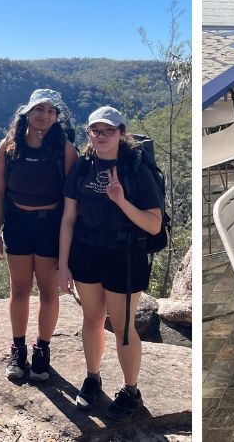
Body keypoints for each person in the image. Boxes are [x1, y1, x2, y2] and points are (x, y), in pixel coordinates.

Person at [59, 106, 162, 420]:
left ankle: (131, 391)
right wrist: (63, 265)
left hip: (125, 255)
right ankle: (92, 378)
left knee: (123, 328)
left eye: (107, 130)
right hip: (87, 251)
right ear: (89, 133)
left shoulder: (136, 170)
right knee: (91, 319)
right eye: (95, 130)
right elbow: (68, 219)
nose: (100, 136)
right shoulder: (82, 167)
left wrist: (121, 200)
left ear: (121, 132)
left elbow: (154, 224)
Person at [0, 89, 77, 382]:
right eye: (40, 110)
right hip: (18, 223)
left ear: (57, 117)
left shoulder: (64, 148)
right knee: (19, 289)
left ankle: (42, 349)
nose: (45, 116)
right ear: (27, 112)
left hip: (50, 226)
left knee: (49, 291)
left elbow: (72, 197)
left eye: (51, 111)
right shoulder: (9, 147)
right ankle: (18, 348)